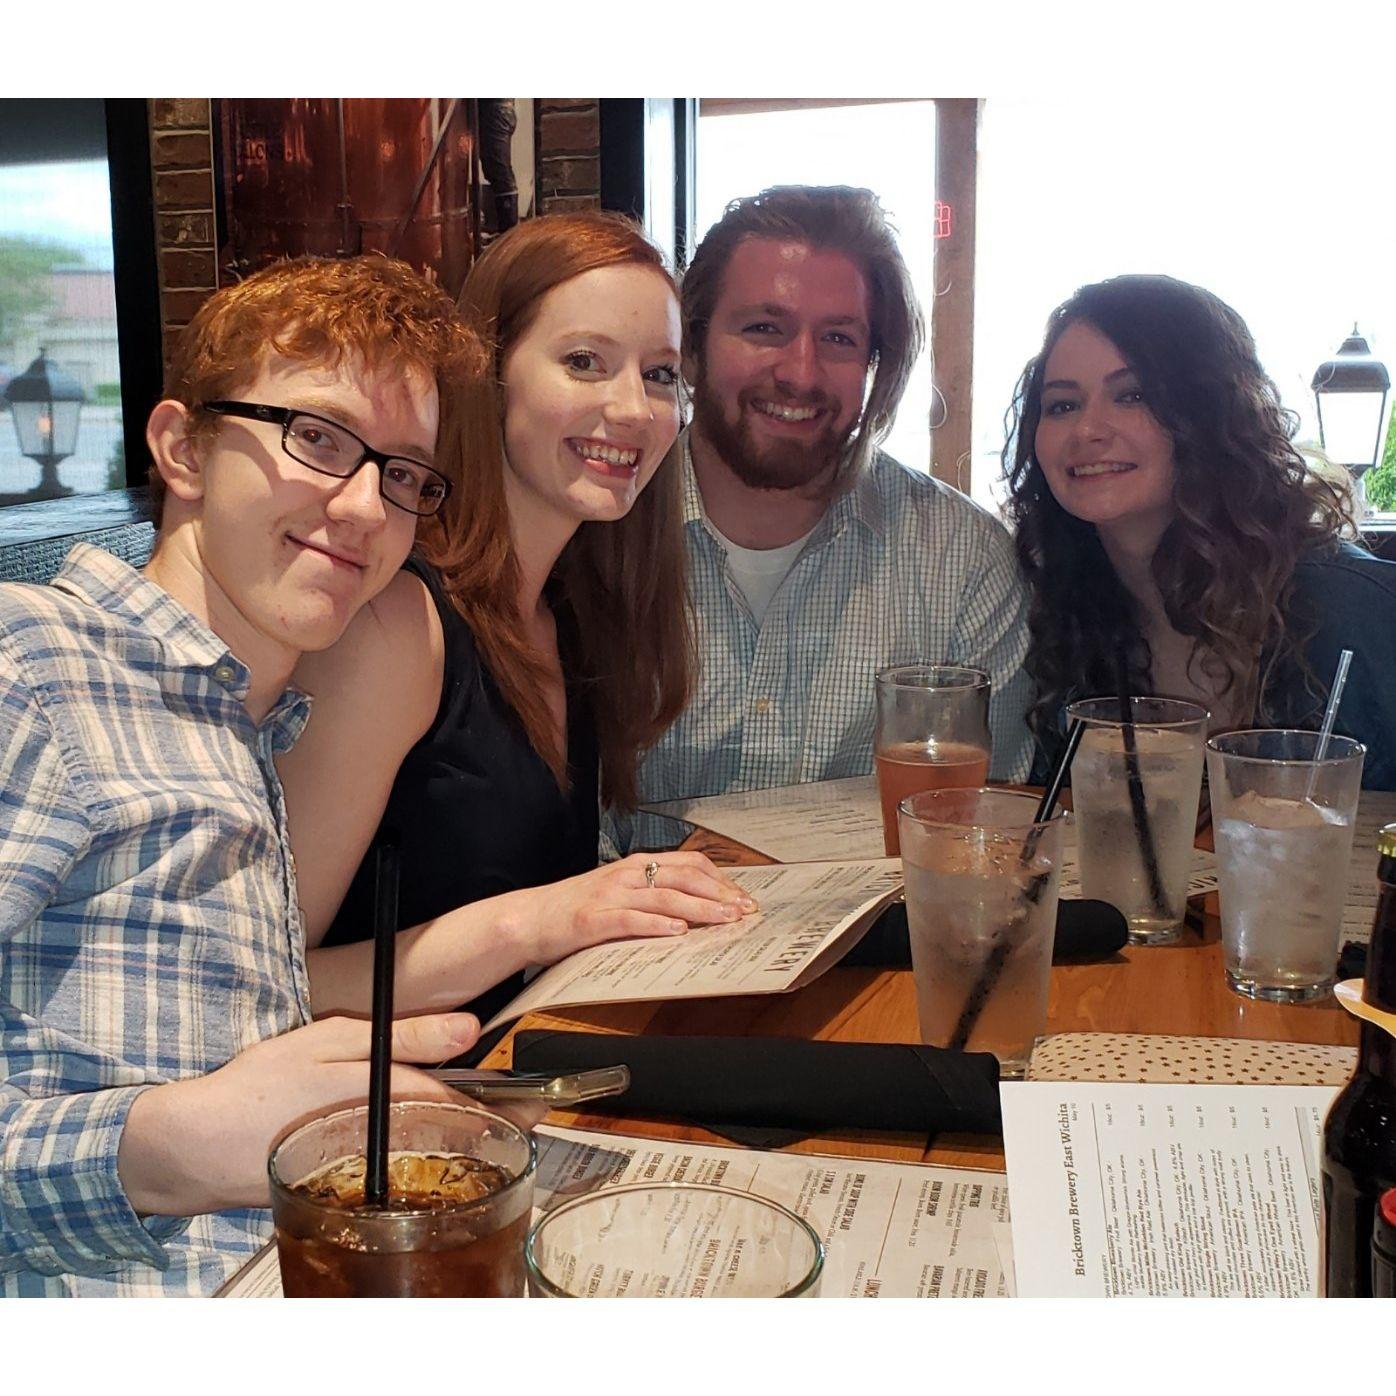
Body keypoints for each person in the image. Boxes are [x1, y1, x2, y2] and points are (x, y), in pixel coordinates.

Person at [0, 255, 493, 1296]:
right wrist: (166, 1143)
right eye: (315, 438)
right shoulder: (35, 663)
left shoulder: (246, 732)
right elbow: (192, 1134)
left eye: (403, 472)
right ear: (183, 448)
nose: (364, 507)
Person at [278, 213, 750, 1026]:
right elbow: (270, 983)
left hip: (531, 1068)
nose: (634, 409)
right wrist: (534, 923)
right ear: (487, 374)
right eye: (583, 362)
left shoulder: (573, 612)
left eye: (662, 374)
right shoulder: (397, 626)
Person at [615, 185, 1034, 851]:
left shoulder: (963, 560)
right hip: (630, 949)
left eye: (839, 338)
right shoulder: (601, 531)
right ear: (688, 351)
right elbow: (555, 842)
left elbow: (986, 833)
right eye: (764, 329)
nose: (801, 372)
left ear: (875, 366)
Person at [1004, 272, 1396, 789]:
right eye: (1062, 405)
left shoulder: (1351, 610)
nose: (1087, 429)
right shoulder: (1061, 617)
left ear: (1212, 415)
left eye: (1133, 395)